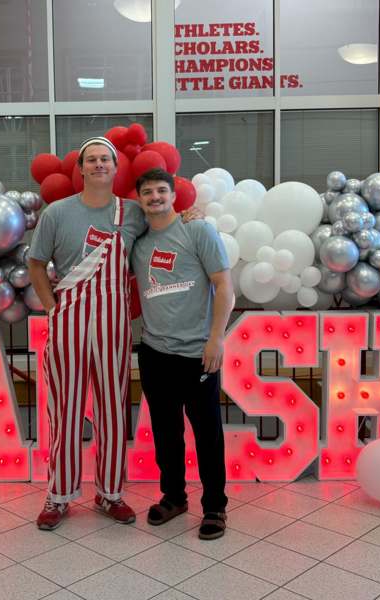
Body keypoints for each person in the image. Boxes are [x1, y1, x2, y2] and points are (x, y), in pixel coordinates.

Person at [27, 136, 145, 530]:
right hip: (68, 321)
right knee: (65, 410)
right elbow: (36, 264)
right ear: (80, 169)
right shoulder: (57, 213)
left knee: (113, 409)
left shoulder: (132, 213)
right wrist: (52, 307)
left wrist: (191, 216)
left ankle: (111, 492)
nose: (98, 165)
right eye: (91, 160)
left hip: (114, 324)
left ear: (115, 167)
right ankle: (58, 494)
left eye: (104, 159)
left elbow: (166, 227)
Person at [131, 168, 234, 540]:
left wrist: (216, 339)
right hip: (154, 353)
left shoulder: (197, 230)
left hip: (198, 354)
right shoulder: (137, 243)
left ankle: (215, 506)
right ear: (139, 199)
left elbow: (224, 286)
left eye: (161, 190)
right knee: (166, 433)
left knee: (208, 434)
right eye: (147, 192)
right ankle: (174, 497)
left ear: (174, 196)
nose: (155, 197)